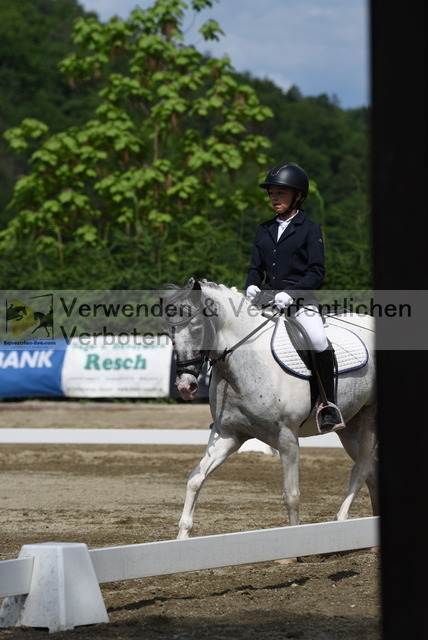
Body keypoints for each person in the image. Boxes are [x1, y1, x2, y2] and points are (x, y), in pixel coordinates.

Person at [245, 163, 345, 432]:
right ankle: (239, 406)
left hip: (300, 302)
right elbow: (255, 268)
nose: (274, 198)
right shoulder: (263, 229)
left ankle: (328, 405)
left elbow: (317, 271)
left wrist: (291, 293)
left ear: (298, 196)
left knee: (317, 339)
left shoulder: (309, 228)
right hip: (267, 301)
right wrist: (251, 285)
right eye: (272, 193)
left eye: (281, 193)